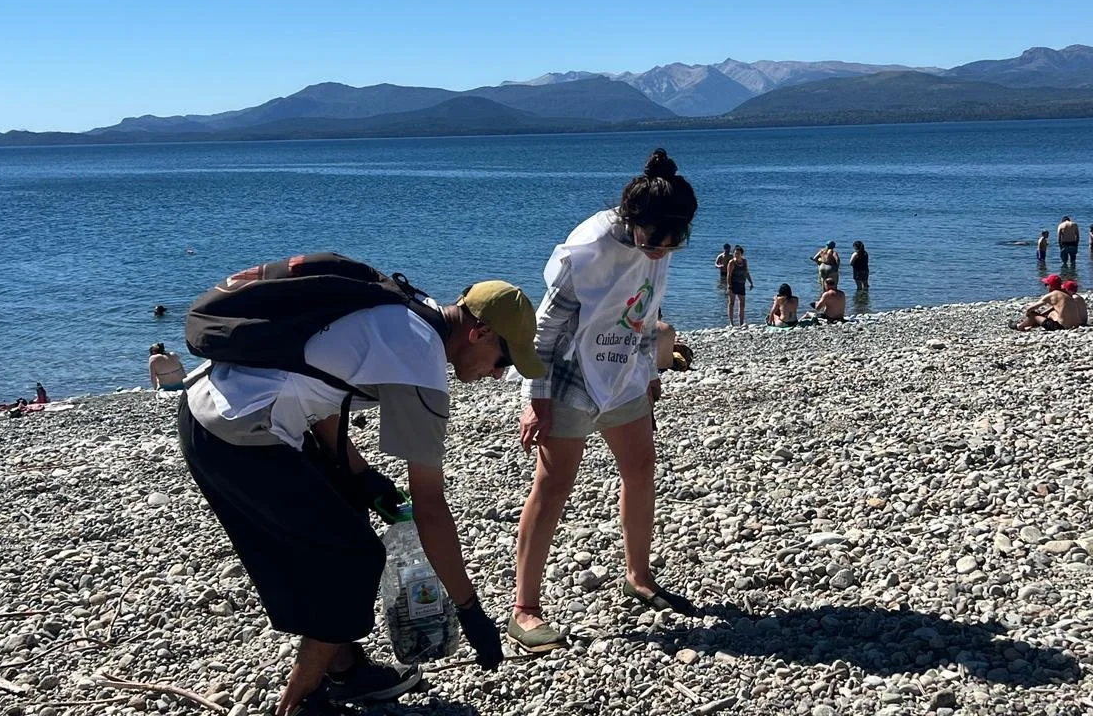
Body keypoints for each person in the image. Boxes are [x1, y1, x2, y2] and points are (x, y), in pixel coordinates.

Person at [180, 276, 545, 713]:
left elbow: (321, 380)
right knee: (353, 558)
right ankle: (302, 700)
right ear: (480, 332)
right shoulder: (422, 361)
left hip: (211, 404)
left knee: (344, 519)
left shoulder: (410, 309)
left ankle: (346, 670)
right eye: (502, 358)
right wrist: (469, 609)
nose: (498, 373)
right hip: (236, 432)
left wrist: (361, 474)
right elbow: (430, 505)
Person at [512, 148, 698, 653]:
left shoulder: (659, 242)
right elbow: (545, 331)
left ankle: (638, 575)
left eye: (674, 241)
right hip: (570, 369)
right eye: (655, 240)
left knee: (640, 466)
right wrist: (537, 397)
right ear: (633, 220)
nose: (662, 250)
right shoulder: (588, 248)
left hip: (623, 370)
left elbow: (643, 308)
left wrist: (646, 375)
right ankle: (524, 609)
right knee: (553, 485)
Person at [1015, 274, 1084, 330]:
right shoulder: (1065, 295)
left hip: (1061, 327)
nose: (1046, 287)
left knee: (1033, 315)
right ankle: (1029, 323)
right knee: (1050, 314)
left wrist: (1028, 314)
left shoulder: (1052, 294)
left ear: (1050, 286)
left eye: (1046, 285)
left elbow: (1030, 309)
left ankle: (1020, 326)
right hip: (1076, 325)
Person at [726, 245, 754, 325]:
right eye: (735, 253)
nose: (736, 255)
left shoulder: (744, 261)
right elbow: (729, 275)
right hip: (733, 284)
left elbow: (747, 272)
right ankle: (731, 323)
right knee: (731, 303)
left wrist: (751, 282)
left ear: (741, 254)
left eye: (738, 253)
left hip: (741, 284)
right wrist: (729, 286)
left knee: (742, 304)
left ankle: (741, 322)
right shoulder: (731, 262)